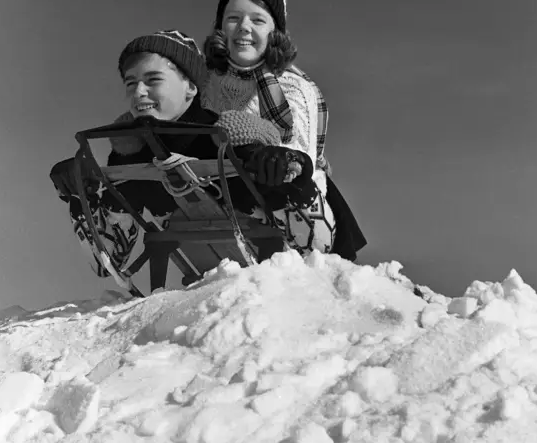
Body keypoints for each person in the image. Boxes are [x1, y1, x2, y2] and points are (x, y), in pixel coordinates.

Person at [50, 29, 331, 286]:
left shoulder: (234, 141)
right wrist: (80, 197)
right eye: (131, 83)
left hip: (273, 296)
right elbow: (107, 260)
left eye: (153, 80)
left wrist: (296, 175)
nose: (138, 93)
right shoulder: (130, 154)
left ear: (191, 87)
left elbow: (320, 248)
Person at [202, 0, 366, 260]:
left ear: (274, 32)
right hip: (226, 186)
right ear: (220, 28)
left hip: (284, 190)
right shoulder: (208, 83)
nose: (244, 27)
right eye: (233, 18)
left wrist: (278, 157)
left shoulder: (290, 86)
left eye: (258, 20)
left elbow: (298, 150)